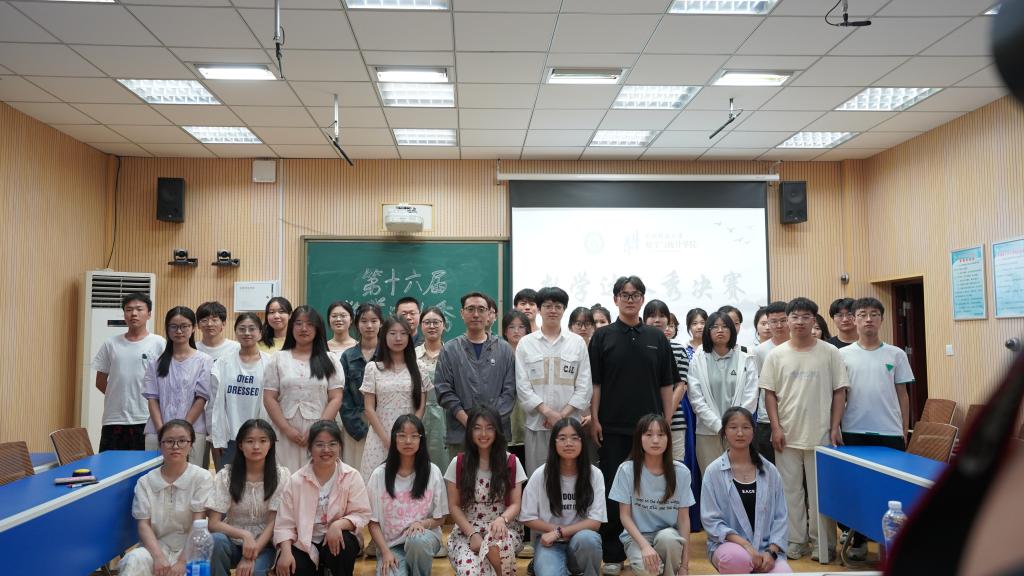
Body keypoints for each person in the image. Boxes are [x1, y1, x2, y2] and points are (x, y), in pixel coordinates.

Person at [589, 276, 677, 575]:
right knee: (614, 491)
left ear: (642, 299)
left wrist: (665, 422)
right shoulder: (602, 337)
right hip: (612, 427)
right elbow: (596, 384)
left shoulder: (657, 338)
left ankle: (650, 546)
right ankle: (613, 553)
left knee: (648, 490)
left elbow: (667, 384)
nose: (630, 299)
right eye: (624, 295)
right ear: (615, 299)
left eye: (635, 294)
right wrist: (595, 419)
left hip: (651, 432)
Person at [759, 297, 848, 562]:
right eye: (795, 317)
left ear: (814, 320)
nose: (799, 322)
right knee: (790, 493)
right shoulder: (776, 355)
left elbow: (840, 391)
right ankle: (795, 540)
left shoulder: (830, 352)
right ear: (788, 320)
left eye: (805, 317)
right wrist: (776, 427)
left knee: (821, 493)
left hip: (822, 435)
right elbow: (769, 394)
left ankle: (824, 543)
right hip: (786, 436)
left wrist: (835, 426)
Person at [837, 296, 914, 561]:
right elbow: (839, 395)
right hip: (854, 430)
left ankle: (890, 543)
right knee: (857, 488)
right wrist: (836, 427)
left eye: (874, 314)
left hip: (890, 432)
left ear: (881, 319)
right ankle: (858, 540)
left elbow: (903, 394)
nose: (868, 319)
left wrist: (905, 428)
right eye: (862, 314)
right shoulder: (842, 355)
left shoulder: (896, 354)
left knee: (890, 490)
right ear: (854, 319)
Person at [273, 420, 371, 576]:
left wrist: (338, 525)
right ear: (310, 448)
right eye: (319, 444)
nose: (326, 450)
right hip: (303, 542)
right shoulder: (295, 481)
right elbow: (284, 524)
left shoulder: (351, 476)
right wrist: (285, 552)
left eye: (332, 444)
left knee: (343, 545)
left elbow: (361, 514)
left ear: (340, 446)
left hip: (336, 538)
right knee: (292, 566)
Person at [118, 419, 213, 576]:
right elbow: (143, 525)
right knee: (133, 560)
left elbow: (198, 524)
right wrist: (158, 557)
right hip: (155, 547)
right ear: (160, 445)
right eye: (169, 441)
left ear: (191, 445)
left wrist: (182, 562)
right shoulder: (145, 482)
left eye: (182, 441)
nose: (175, 446)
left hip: (189, 549)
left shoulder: (201, 477)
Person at [700, 408, 789, 574]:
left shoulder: (770, 471)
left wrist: (771, 552)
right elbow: (711, 521)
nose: (740, 433)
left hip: (766, 549)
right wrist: (746, 546)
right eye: (733, 427)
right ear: (724, 432)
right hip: (730, 546)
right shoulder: (713, 472)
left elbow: (781, 517)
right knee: (736, 559)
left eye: (746, 427)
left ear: (753, 432)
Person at [516, 287, 593, 475]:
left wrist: (561, 416)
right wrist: (547, 412)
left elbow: (584, 387)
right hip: (537, 425)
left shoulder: (577, 343)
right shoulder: (526, 343)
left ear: (564, 310)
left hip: (570, 427)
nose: (553, 310)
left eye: (558, 306)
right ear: (539, 309)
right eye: (548, 306)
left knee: (571, 478)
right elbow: (523, 387)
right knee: (538, 477)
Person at [444, 405, 527, 576]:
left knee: (497, 547)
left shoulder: (511, 462)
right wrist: (472, 534)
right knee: (470, 572)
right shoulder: (458, 463)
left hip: (502, 528)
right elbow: (454, 506)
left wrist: (502, 520)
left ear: (497, 431)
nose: (483, 434)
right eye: (477, 428)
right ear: (470, 431)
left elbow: (516, 503)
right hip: (467, 529)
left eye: (489, 428)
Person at [262, 306, 345, 473]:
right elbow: (269, 398)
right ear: (291, 327)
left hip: (320, 432)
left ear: (318, 328)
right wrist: (287, 430)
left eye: (309, 324)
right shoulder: (278, 358)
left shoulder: (330, 359)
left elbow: (336, 398)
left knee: (317, 476)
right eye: (298, 323)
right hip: (284, 430)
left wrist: (317, 430)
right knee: (284, 477)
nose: (304, 328)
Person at [609, 415, 693, 576]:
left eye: (661, 434)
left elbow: (684, 520)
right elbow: (624, 516)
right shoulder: (626, 470)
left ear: (668, 439)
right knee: (648, 570)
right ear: (639, 438)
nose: (655, 440)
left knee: (669, 539)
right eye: (648, 434)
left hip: (668, 534)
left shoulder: (681, 472)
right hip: (637, 537)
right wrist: (645, 546)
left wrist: (684, 566)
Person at [520, 417, 605, 576]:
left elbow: (595, 522)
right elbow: (527, 517)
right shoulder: (540, 474)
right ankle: (543, 562)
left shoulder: (595, 474)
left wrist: (560, 532)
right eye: (562, 438)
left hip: (580, 540)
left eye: (574, 438)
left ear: (582, 442)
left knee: (589, 539)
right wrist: (555, 533)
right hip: (549, 542)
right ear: (554, 443)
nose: (568, 443)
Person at [434, 292, 516, 455]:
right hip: (460, 434)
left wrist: (488, 425)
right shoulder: (450, 350)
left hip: (496, 433)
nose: (476, 314)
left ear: (489, 314)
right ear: (462, 313)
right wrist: (469, 422)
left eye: (481, 309)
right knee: (460, 471)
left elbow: (510, 392)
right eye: (470, 309)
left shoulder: (504, 349)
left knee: (496, 472)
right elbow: (444, 391)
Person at [367, 415, 449, 576]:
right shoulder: (379, 475)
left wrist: (422, 523)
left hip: (423, 540)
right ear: (394, 438)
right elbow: (372, 522)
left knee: (417, 540)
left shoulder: (432, 472)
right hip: (391, 546)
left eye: (414, 436)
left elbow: (441, 518)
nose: (408, 441)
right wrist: (385, 552)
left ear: (421, 439)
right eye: (402, 435)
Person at [208, 419, 290, 576]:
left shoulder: (281, 476)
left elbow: (273, 522)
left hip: (265, 545)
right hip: (232, 541)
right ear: (240, 445)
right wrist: (244, 535)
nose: (256, 446)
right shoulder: (226, 476)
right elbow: (213, 523)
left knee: (255, 572)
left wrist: (250, 555)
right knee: (215, 541)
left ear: (271, 444)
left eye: (263, 441)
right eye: (250, 441)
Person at [687, 312, 759, 474]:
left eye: (725, 326)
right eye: (715, 327)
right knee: (711, 479)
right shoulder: (698, 359)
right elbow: (696, 398)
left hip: (739, 433)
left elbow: (751, 396)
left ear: (732, 330)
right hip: (707, 432)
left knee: (739, 477)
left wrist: (734, 426)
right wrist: (719, 426)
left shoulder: (746, 357)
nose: (720, 330)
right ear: (708, 331)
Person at [94, 292, 165, 451]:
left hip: (146, 418)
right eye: (129, 309)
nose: (134, 313)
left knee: (143, 464)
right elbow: (100, 382)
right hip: (114, 419)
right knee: (110, 463)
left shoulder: (159, 343)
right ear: (124, 314)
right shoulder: (110, 344)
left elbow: (165, 381)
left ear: (149, 314)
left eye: (139, 309)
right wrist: (120, 395)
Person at [361, 315, 429, 481]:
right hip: (380, 436)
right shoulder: (373, 368)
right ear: (384, 336)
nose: (398, 338)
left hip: (410, 438)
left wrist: (408, 435)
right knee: (376, 483)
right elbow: (369, 408)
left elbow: (421, 406)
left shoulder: (419, 367)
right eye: (392, 333)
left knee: (410, 483)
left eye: (403, 333)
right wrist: (388, 440)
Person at [143, 306, 212, 464]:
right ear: (167, 329)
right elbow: (152, 399)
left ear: (193, 328)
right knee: (155, 474)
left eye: (184, 326)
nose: (179, 331)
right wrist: (162, 431)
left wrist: (183, 430)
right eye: (173, 326)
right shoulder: (156, 362)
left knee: (191, 475)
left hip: (192, 430)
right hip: (158, 430)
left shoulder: (204, 360)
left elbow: (201, 398)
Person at [210, 313, 271, 469]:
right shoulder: (223, 362)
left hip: (260, 437)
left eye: (252, 329)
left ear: (260, 333)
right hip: (230, 437)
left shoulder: (270, 363)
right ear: (235, 332)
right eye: (242, 329)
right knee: (228, 480)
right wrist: (218, 437)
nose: (247, 333)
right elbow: (215, 403)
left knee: (258, 479)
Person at [197, 301, 242, 468]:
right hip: (197, 419)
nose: (209, 324)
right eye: (204, 320)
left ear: (223, 324)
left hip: (226, 419)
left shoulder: (236, 348)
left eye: (215, 319)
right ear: (198, 325)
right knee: (197, 470)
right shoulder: (192, 348)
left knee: (225, 471)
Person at [642, 301, 688, 462]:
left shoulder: (679, 349)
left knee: (675, 466)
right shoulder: (638, 346)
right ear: (644, 320)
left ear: (668, 320)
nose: (657, 320)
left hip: (674, 421)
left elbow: (681, 386)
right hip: (644, 420)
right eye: (652, 316)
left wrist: (666, 418)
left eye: (662, 316)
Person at [339, 302, 382, 470]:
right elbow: (343, 397)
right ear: (356, 324)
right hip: (354, 425)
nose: (369, 325)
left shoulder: (388, 355)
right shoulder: (348, 356)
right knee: (355, 470)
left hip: (383, 422)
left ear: (381, 323)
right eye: (364, 321)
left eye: (374, 320)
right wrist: (358, 429)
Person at [751, 301, 789, 464]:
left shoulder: (799, 346)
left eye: (783, 320)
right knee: (768, 466)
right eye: (773, 321)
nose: (779, 325)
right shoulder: (759, 351)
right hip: (767, 419)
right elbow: (759, 386)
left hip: (792, 417)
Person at [416, 306, 450, 474]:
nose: (431, 326)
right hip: (418, 414)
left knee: (445, 464)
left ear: (444, 325)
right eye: (427, 322)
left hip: (446, 416)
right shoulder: (412, 355)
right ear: (421, 325)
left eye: (436, 322)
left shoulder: (451, 352)